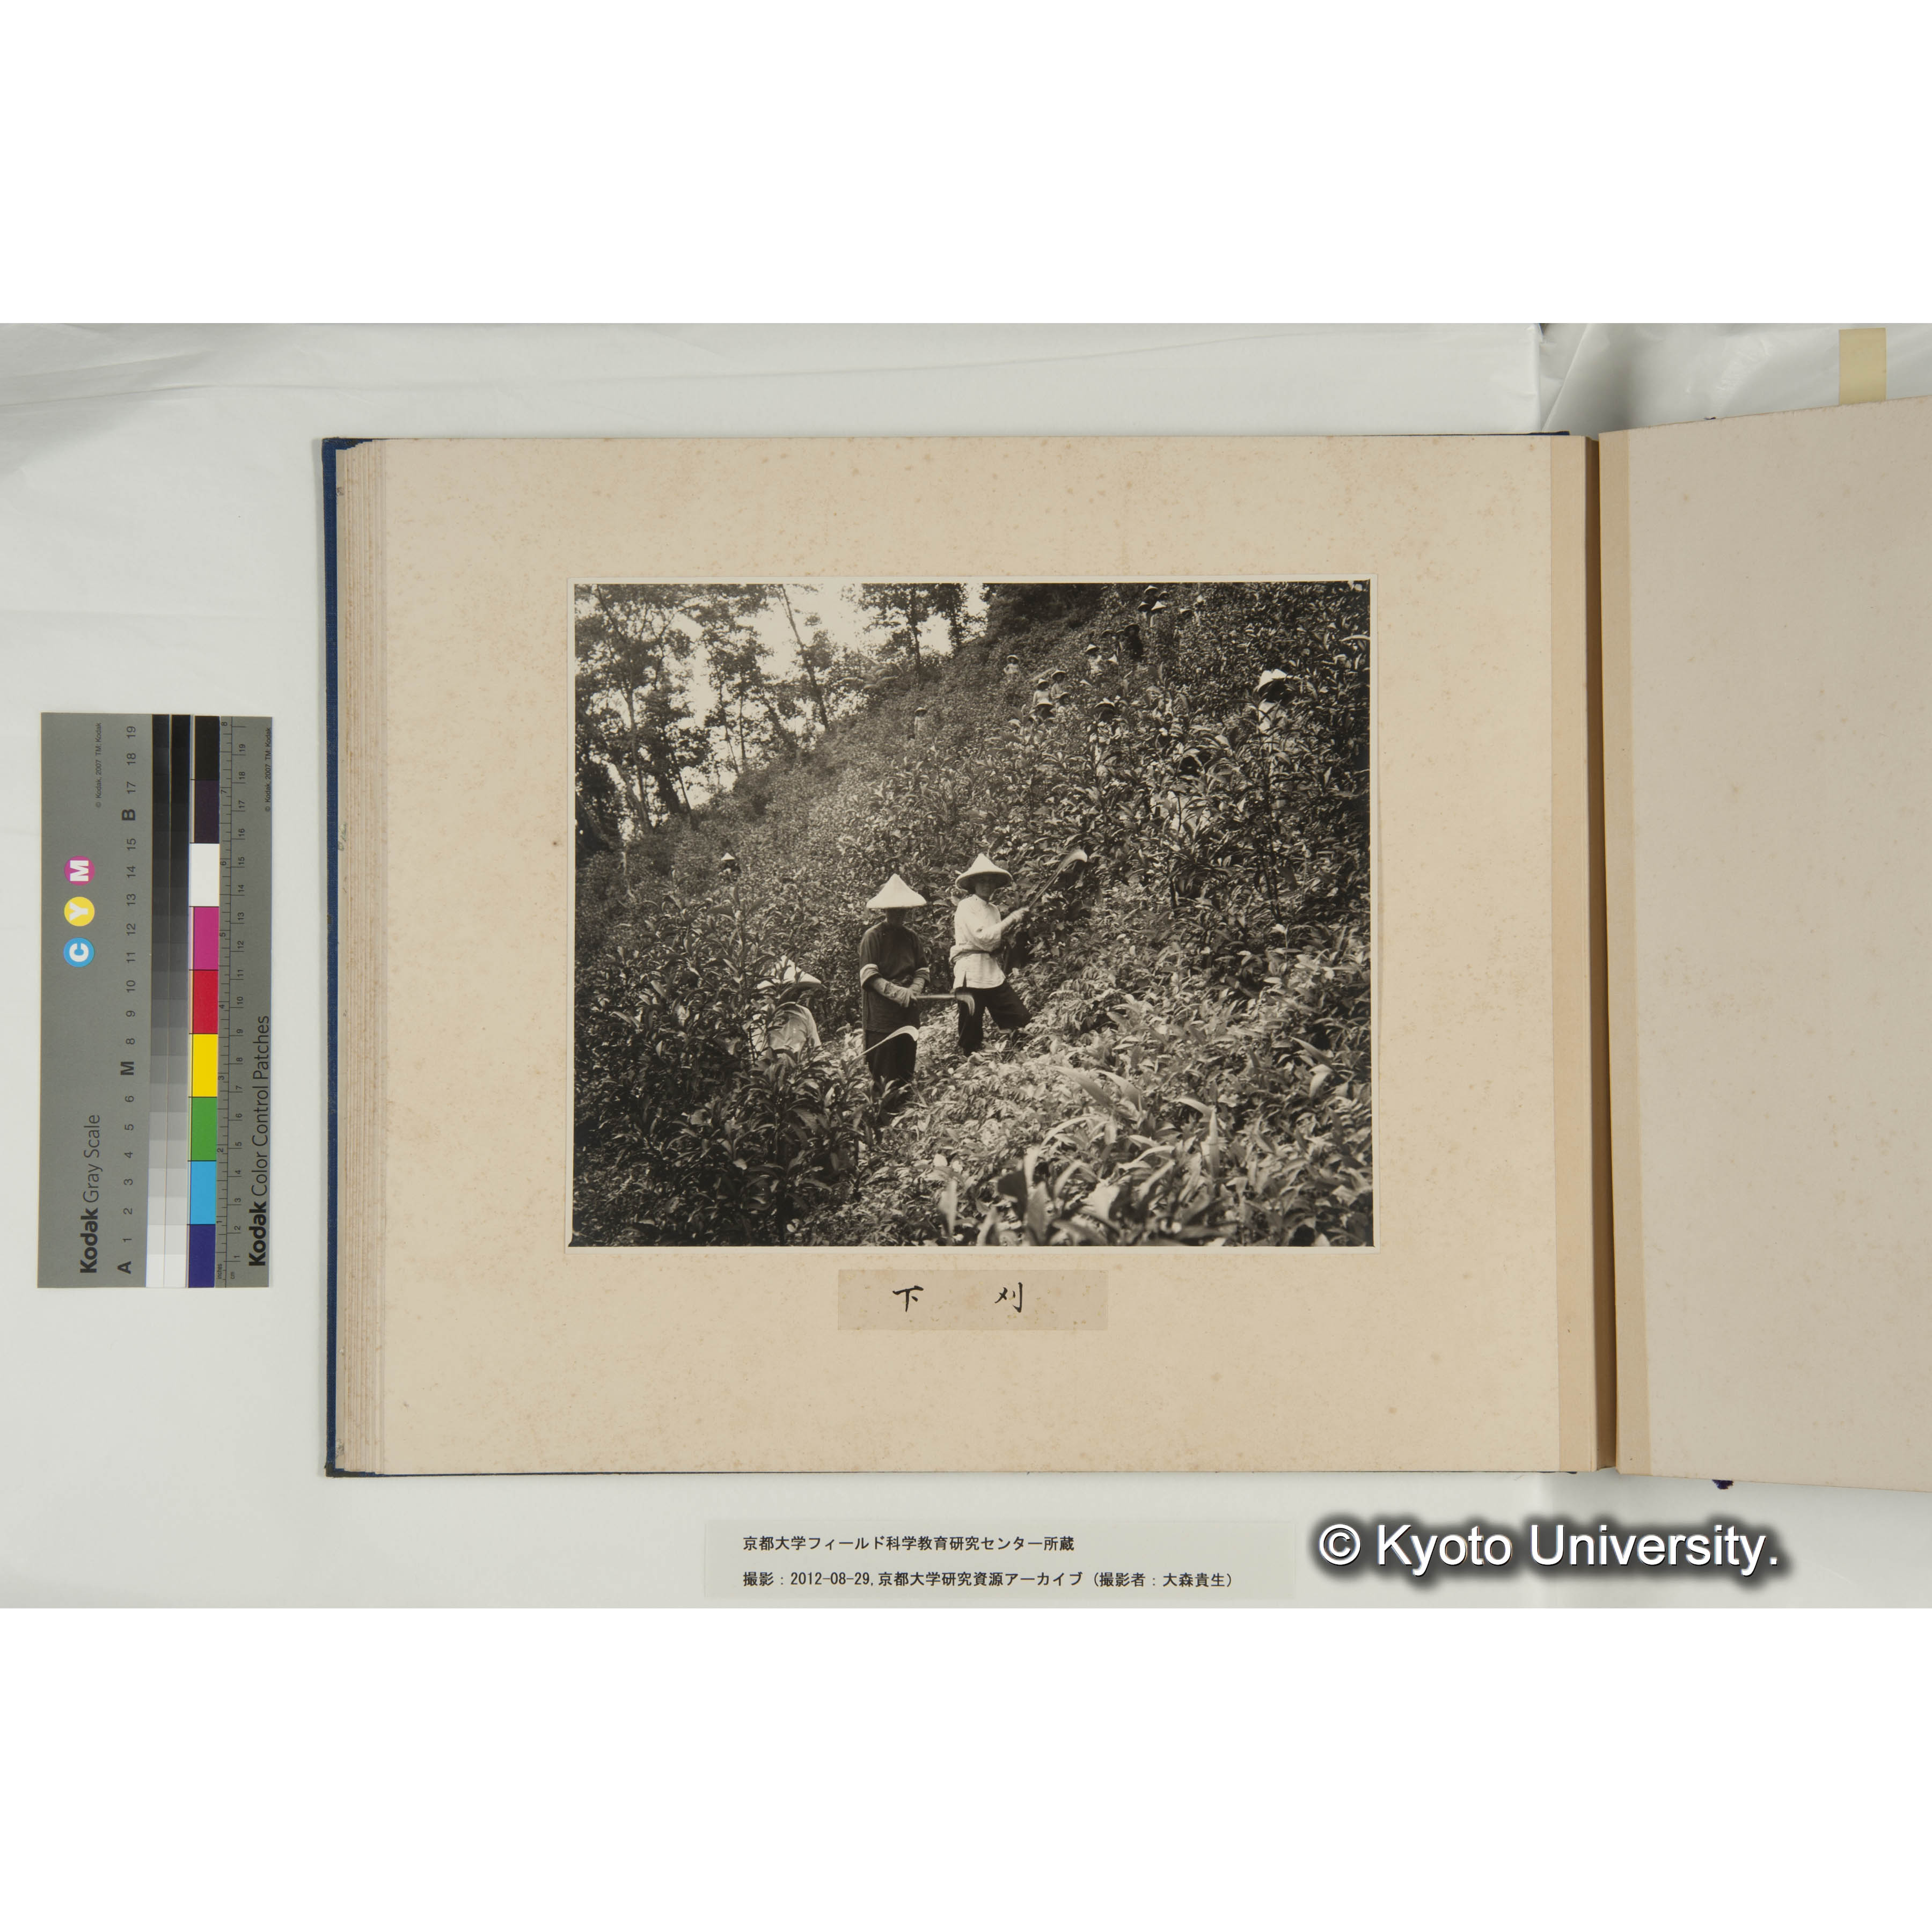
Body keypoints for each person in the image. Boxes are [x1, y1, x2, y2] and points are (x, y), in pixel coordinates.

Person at [857, 874, 930, 1106]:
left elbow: (922, 970)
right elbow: (869, 976)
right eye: (894, 910)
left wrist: (915, 988)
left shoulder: (912, 938)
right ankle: (884, 1120)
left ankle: (905, 1117)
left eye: (903, 910)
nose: (899, 914)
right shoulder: (872, 937)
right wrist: (897, 993)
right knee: (884, 1079)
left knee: (905, 1073)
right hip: (882, 1019)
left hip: (907, 1016)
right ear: (885, 910)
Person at [950, 853, 1031, 1055]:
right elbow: (983, 938)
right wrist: (1011, 920)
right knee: (971, 1033)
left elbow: (993, 943)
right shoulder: (966, 906)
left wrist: (1007, 934)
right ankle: (971, 1065)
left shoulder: (994, 910)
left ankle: (1017, 1057)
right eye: (982, 881)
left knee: (1020, 1019)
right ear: (973, 884)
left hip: (990, 971)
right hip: (970, 973)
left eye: (990, 881)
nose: (987, 885)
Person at [754, 960, 823, 1059]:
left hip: (799, 1066)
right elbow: (759, 1055)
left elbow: (815, 1047)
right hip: (773, 1066)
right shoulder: (762, 1015)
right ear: (777, 991)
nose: (796, 995)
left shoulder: (804, 1013)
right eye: (791, 991)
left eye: (798, 991)